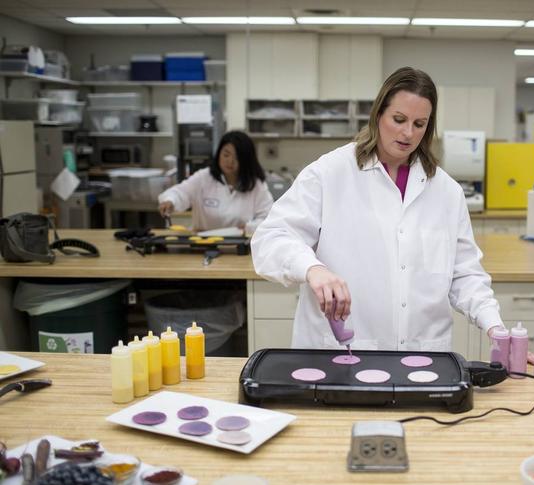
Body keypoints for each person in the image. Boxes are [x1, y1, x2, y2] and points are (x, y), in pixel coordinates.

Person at [251, 67, 505, 351]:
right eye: (399, 119)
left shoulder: (446, 192)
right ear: (378, 115)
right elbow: (271, 238)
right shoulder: (329, 173)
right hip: (342, 353)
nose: (408, 133)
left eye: (419, 124)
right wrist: (313, 268)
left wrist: (495, 326)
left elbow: (464, 274)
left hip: (422, 357)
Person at [158, 130, 274, 232]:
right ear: (219, 154)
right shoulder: (204, 177)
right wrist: (170, 201)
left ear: (246, 160)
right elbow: (180, 192)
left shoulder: (256, 185)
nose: (230, 161)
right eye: (226, 155)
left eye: (237, 158)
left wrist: (249, 227)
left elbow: (268, 219)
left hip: (240, 249)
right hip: (202, 246)